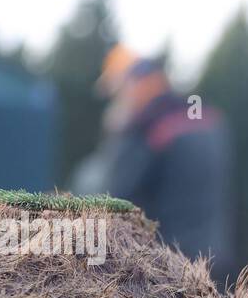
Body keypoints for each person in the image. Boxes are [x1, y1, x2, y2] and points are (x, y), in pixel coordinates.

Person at [83, 44, 234, 281]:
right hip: (214, 261)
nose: (118, 100)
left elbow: (114, 198)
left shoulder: (146, 129)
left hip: (166, 270)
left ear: (134, 83)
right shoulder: (205, 119)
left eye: (119, 91)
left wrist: (117, 135)